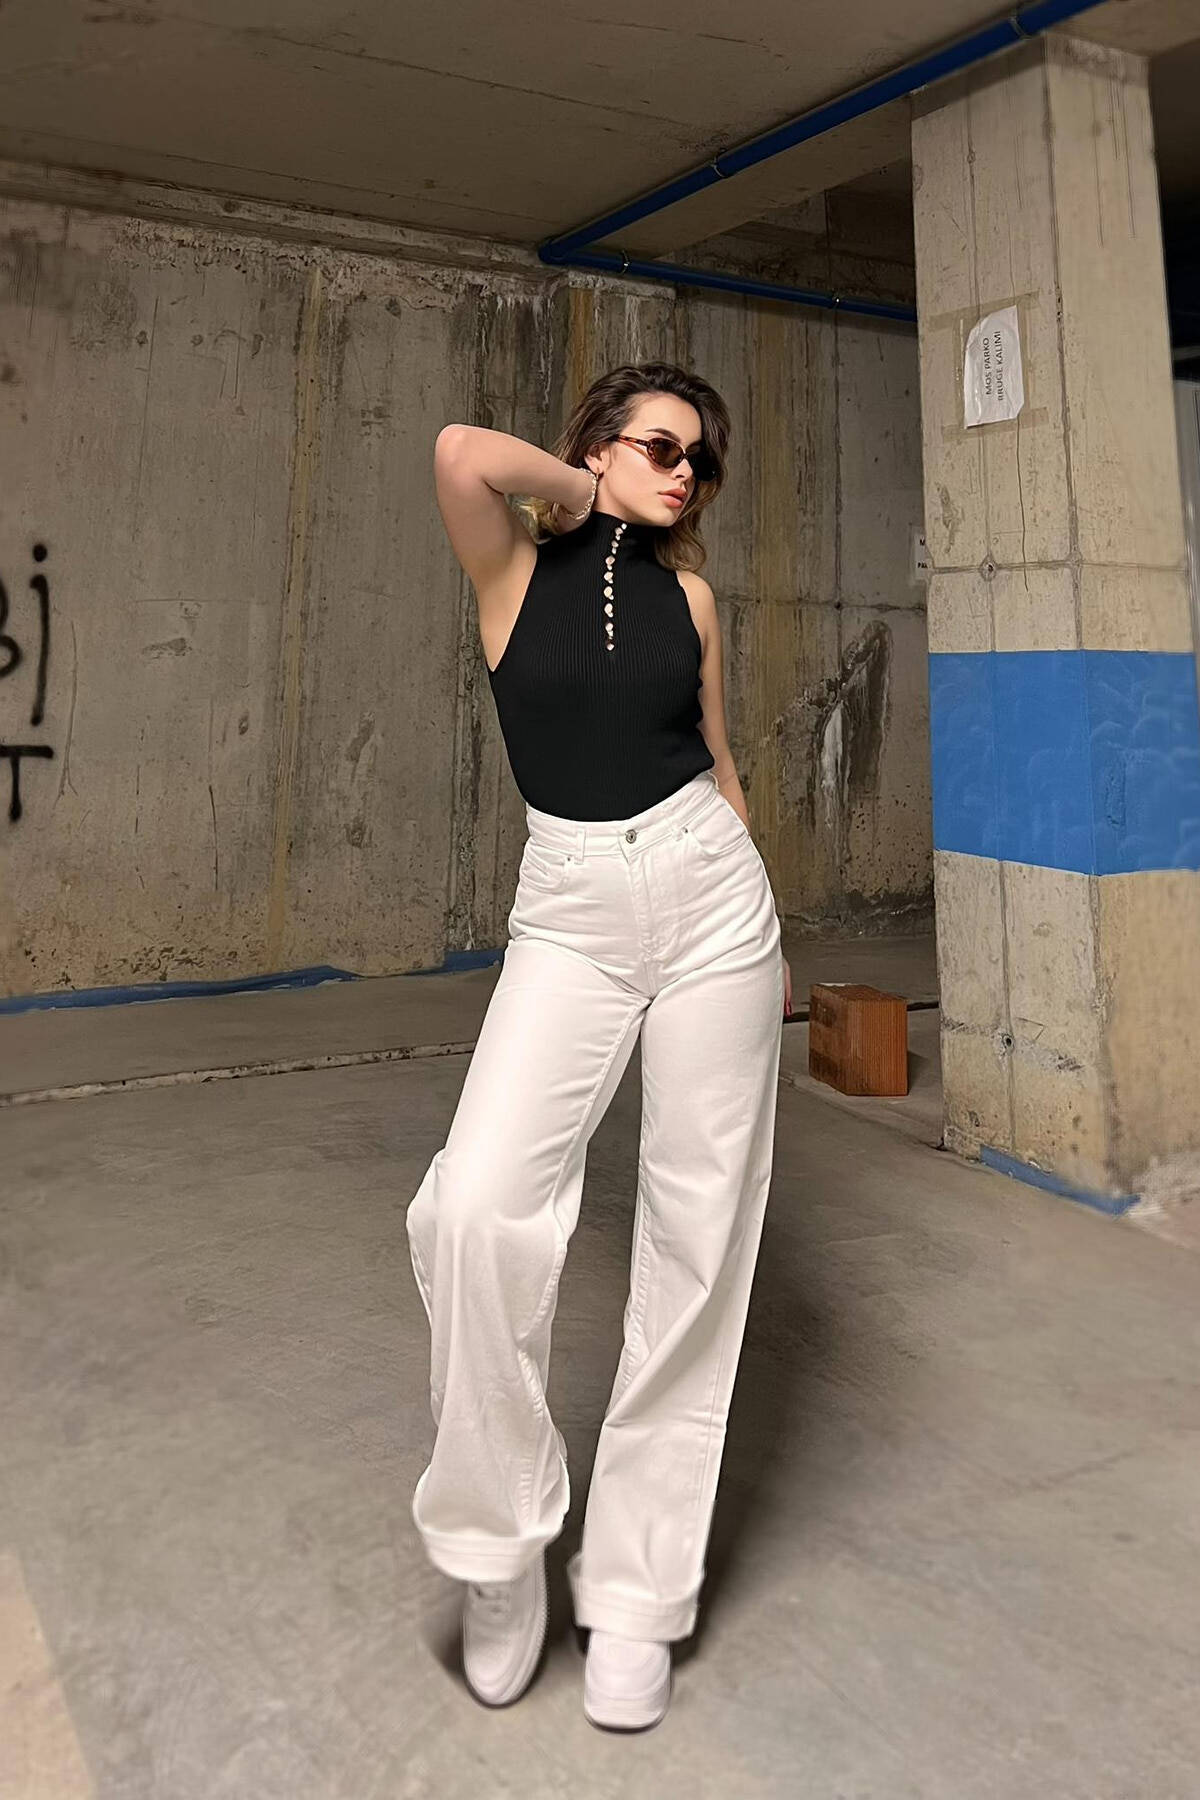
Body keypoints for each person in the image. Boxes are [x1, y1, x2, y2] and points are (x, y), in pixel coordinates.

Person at [405, 360, 792, 1731]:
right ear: (600, 447)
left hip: (712, 900)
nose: (687, 474)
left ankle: (635, 1592)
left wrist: (761, 915)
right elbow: (460, 449)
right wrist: (577, 494)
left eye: (702, 461)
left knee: (698, 1234)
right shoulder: (512, 572)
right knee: (474, 1209)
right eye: (662, 446)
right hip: (569, 908)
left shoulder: (695, 600)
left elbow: (717, 757)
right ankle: (498, 1547)